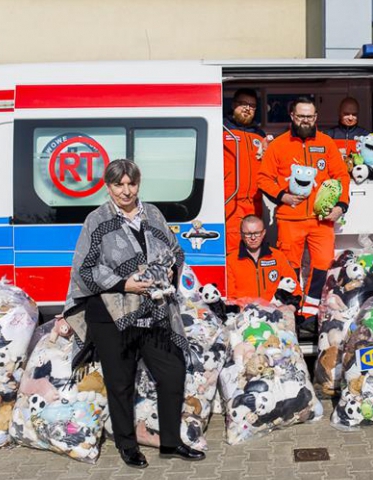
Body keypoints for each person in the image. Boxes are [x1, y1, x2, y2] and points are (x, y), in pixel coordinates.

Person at [62, 159, 205, 468]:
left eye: (131, 183)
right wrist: (123, 283)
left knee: (172, 373)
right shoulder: (96, 220)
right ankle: (128, 446)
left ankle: (171, 442)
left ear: (138, 184)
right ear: (108, 186)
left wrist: (170, 266)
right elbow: (84, 269)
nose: (126, 191)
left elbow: (175, 249)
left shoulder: (152, 213)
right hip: (112, 315)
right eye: (119, 184)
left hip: (153, 311)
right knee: (120, 381)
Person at [257, 97, 350, 329]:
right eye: (301, 116)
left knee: (322, 264)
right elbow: (263, 178)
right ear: (292, 116)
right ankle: (292, 312)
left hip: (321, 220)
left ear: (316, 117)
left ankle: (310, 315)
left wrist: (341, 206)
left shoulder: (327, 144)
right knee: (290, 267)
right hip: (290, 218)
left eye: (309, 116)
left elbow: (342, 176)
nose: (305, 120)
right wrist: (283, 197)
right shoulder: (278, 145)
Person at [223, 88, 269, 254]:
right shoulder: (221, 129)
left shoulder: (260, 135)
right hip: (230, 201)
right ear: (234, 105)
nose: (247, 108)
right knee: (233, 248)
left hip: (255, 203)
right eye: (243, 104)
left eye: (252, 105)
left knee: (254, 250)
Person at [226, 215, 301, 304]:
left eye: (257, 233)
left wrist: (291, 307)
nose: (253, 238)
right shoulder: (231, 260)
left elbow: (294, 287)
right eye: (248, 234)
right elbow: (230, 296)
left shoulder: (277, 256)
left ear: (263, 233)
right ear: (241, 234)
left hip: (275, 310)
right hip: (244, 312)